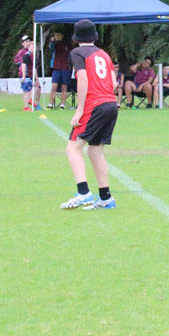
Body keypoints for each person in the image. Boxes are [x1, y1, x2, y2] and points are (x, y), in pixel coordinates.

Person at [60, 19, 120, 210]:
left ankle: (83, 192)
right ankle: (106, 198)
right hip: (111, 104)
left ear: (76, 38)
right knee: (95, 151)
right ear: (94, 36)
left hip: (94, 105)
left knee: (73, 148)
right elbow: (114, 84)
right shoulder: (104, 54)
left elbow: (83, 78)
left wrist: (80, 110)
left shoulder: (77, 53)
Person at [47, 31, 74, 109]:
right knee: (54, 86)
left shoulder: (67, 43)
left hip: (66, 68)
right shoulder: (54, 44)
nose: (57, 36)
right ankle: (50, 104)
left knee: (64, 87)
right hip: (56, 68)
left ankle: (62, 105)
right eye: (55, 35)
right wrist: (52, 41)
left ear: (62, 35)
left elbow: (71, 52)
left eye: (58, 35)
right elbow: (51, 48)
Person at [19, 37, 42, 111]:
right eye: (32, 47)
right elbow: (23, 65)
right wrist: (23, 76)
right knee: (27, 91)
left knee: (36, 87)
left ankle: (30, 101)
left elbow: (34, 68)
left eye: (34, 47)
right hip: (26, 75)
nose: (33, 48)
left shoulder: (33, 56)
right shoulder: (27, 55)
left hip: (31, 75)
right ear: (29, 47)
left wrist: (36, 78)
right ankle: (26, 106)